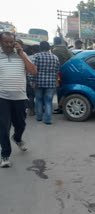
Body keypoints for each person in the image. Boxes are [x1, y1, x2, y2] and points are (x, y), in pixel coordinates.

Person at [0, 32, 37, 168]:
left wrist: (21, 54)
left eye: (11, 42)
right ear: (1, 43)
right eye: (6, 42)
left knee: (20, 124)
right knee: (3, 128)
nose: (9, 45)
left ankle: (17, 138)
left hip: (20, 97)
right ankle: (5, 155)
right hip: (2, 98)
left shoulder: (22, 55)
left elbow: (33, 71)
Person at [31, 41, 60, 124]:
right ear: (49, 48)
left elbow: (33, 70)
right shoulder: (55, 57)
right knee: (48, 101)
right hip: (51, 83)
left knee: (38, 99)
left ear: (40, 48)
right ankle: (48, 119)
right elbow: (57, 70)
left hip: (38, 82)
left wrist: (31, 81)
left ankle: (39, 117)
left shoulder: (36, 56)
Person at [26, 45, 40, 116]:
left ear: (32, 50)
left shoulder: (28, 58)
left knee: (31, 96)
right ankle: (41, 109)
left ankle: (31, 110)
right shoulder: (41, 57)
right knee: (40, 96)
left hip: (29, 79)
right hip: (40, 79)